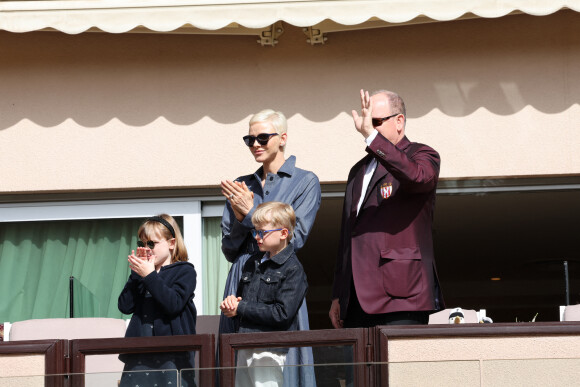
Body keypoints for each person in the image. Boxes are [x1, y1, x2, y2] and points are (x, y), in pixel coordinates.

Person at [220, 109, 320, 384]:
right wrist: (240, 218)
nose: (255, 145)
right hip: (243, 277)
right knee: (238, 369)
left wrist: (250, 213)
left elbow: (295, 238)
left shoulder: (305, 181)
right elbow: (230, 250)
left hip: (278, 277)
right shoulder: (242, 186)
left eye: (263, 137)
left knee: (280, 371)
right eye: (249, 139)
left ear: (283, 138)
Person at [329, 89, 445, 329]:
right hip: (356, 298)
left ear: (399, 121)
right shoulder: (358, 170)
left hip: (402, 295)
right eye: (367, 122)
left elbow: (417, 178)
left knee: (400, 367)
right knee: (362, 367)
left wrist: (373, 139)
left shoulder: (422, 154)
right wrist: (339, 294)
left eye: (376, 121)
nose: (368, 128)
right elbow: (347, 237)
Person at [220, 202, 308, 387]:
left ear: (284, 233)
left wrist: (240, 307)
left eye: (262, 232)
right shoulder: (252, 262)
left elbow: (281, 314)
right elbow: (241, 301)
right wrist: (232, 305)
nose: (257, 237)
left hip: (269, 349)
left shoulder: (293, 269)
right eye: (255, 232)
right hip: (245, 343)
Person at [118, 214, 197, 387]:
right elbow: (125, 306)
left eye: (152, 243)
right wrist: (136, 276)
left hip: (171, 356)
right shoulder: (142, 275)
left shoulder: (185, 271)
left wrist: (150, 275)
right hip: (139, 355)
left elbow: (173, 304)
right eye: (143, 243)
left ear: (171, 243)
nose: (147, 248)